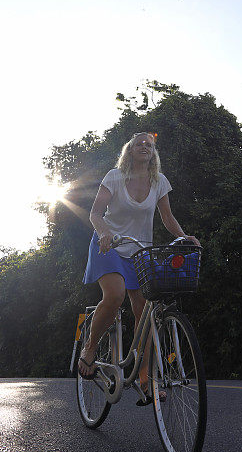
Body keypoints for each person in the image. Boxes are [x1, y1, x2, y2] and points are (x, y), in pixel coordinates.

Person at [79, 131, 200, 404]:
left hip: (139, 251)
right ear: (130, 151)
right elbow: (95, 213)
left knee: (145, 314)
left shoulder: (159, 182)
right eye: (139, 144)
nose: (144, 147)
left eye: (149, 144)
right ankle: (89, 348)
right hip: (108, 244)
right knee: (115, 295)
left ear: (153, 152)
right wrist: (104, 233)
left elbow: (167, 217)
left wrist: (183, 236)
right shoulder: (114, 176)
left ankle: (145, 379)